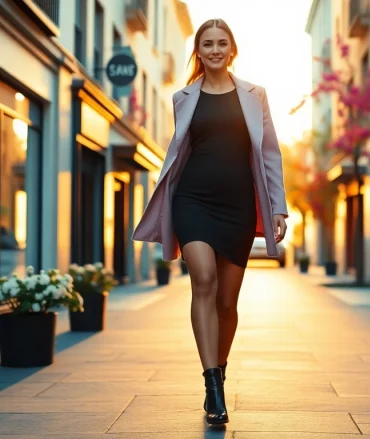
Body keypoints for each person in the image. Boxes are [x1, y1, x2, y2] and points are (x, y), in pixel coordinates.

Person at [132, 18, 288, 426]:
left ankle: (220, 367)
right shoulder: (183, 97)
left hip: (237, 204)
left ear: (231, 49)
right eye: (207, 43)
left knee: (227, 303)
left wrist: (278, 206)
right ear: (197, 51)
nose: (215, 49)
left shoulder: (255, 95)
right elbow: (180, 151)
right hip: (192, 198)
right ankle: (212, 386)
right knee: (203, 279)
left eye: (221, 43)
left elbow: (270, 153)